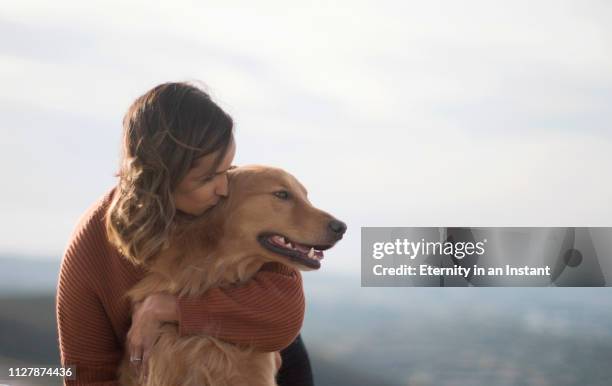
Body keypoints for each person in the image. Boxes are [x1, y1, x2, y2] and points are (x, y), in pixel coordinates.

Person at [56, 82, 314, 385]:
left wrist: (173, 308)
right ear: (161, 177)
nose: (224, 187)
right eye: (208, 177)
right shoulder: (91, 248)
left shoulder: (229, 205)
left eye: (228, 169)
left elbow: (284, 315)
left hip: (268, 363)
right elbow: (86, 375)